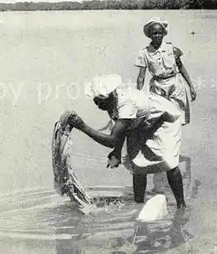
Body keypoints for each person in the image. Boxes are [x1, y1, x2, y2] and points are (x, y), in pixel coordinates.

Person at [67, 74, 187, 209]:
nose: (99, 105)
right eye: (96, 101)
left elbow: (112, 140)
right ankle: (139, 205)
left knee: (168, 161)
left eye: (102, 101)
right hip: (138, 122)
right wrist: (117, 153)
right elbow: (120, 130)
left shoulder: (126, 104)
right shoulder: (110, 102)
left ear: (111, 94)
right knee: (138, 165)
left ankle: (181, 205)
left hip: (161, 117)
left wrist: (82, 126)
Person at [135, 17, 196, 126]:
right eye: (154, 33)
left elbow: (181, 67)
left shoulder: (172, 49)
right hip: (158, 86)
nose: (157, 35)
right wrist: (138, 95)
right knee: (159, 118)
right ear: (149, 35)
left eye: (159, 33)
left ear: (164, 33)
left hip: (175, 84)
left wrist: (191, 86)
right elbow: (141, 77)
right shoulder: (144, 53)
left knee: (177, 118)